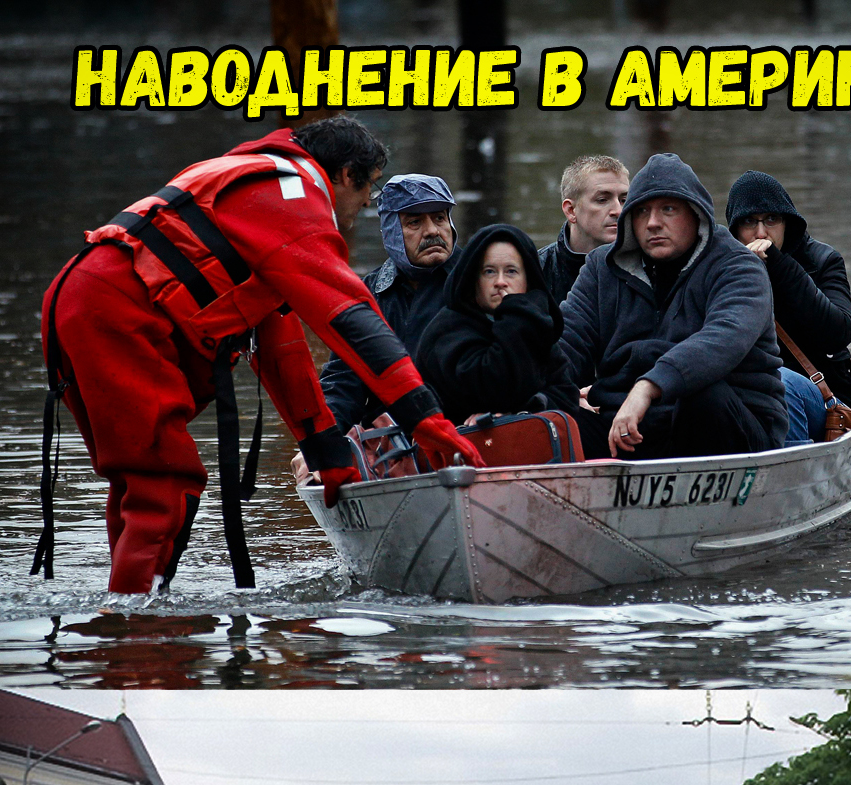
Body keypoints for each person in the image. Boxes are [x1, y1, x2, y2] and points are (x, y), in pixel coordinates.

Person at [38, 116, 479, 594]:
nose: (368, 203)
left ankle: (129, 616)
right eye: (367, 187)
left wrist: (325, 450)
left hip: (77, 300)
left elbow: (282, 347)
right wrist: (424, 416)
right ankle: (140, 634)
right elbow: (349, 315)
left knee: (139, 481)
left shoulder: (255, 182)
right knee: (164, 482)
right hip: (115, 314)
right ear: (346, 174)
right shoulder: (293, 197)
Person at [559, 153, 788, 461]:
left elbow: (723, 339)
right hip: (625, 431)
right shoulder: (601, 267)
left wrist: (648, 387)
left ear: (696, 215)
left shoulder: (739, 266)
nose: (653, 223)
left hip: (726, 430)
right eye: (641, 212)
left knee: (704, 396)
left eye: (668, 209)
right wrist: (542, 391)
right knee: (551, 415)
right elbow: (565, 341)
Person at [318, 173, 462, 437]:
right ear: (392, 232)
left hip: (467, 429)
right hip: (391, 440)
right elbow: (343, 382)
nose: (432, 231)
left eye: (439, 218)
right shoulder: (367, 294)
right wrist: (321, 443)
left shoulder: (478, 280)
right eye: (415, 222)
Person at [725, 171, 851, 446]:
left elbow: (839, 331)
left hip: (824, 400)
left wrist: (779, 265)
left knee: (781, 382)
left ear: (787, 223)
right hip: (751, 395)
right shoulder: (722, 268)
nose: (761, 233)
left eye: (771, 220)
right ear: (735, 230)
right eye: (750, 221)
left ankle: (790, 473)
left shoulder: (823, 261)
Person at [415, 224, 586, 433]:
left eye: (511, 271)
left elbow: (566, 396)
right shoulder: (447, 331)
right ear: (474, 280)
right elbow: (495, 391)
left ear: (528, 280)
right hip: (458, 453)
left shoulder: (532, 324)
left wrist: (525, 411)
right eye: (489, 272)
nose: (500, 282)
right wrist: (516, 314)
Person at [538, 155, 629, 304]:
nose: (618, 211)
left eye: (624, 200)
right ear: (571, 211)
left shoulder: (646, 269)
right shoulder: (536, 271)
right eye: (602, 200)